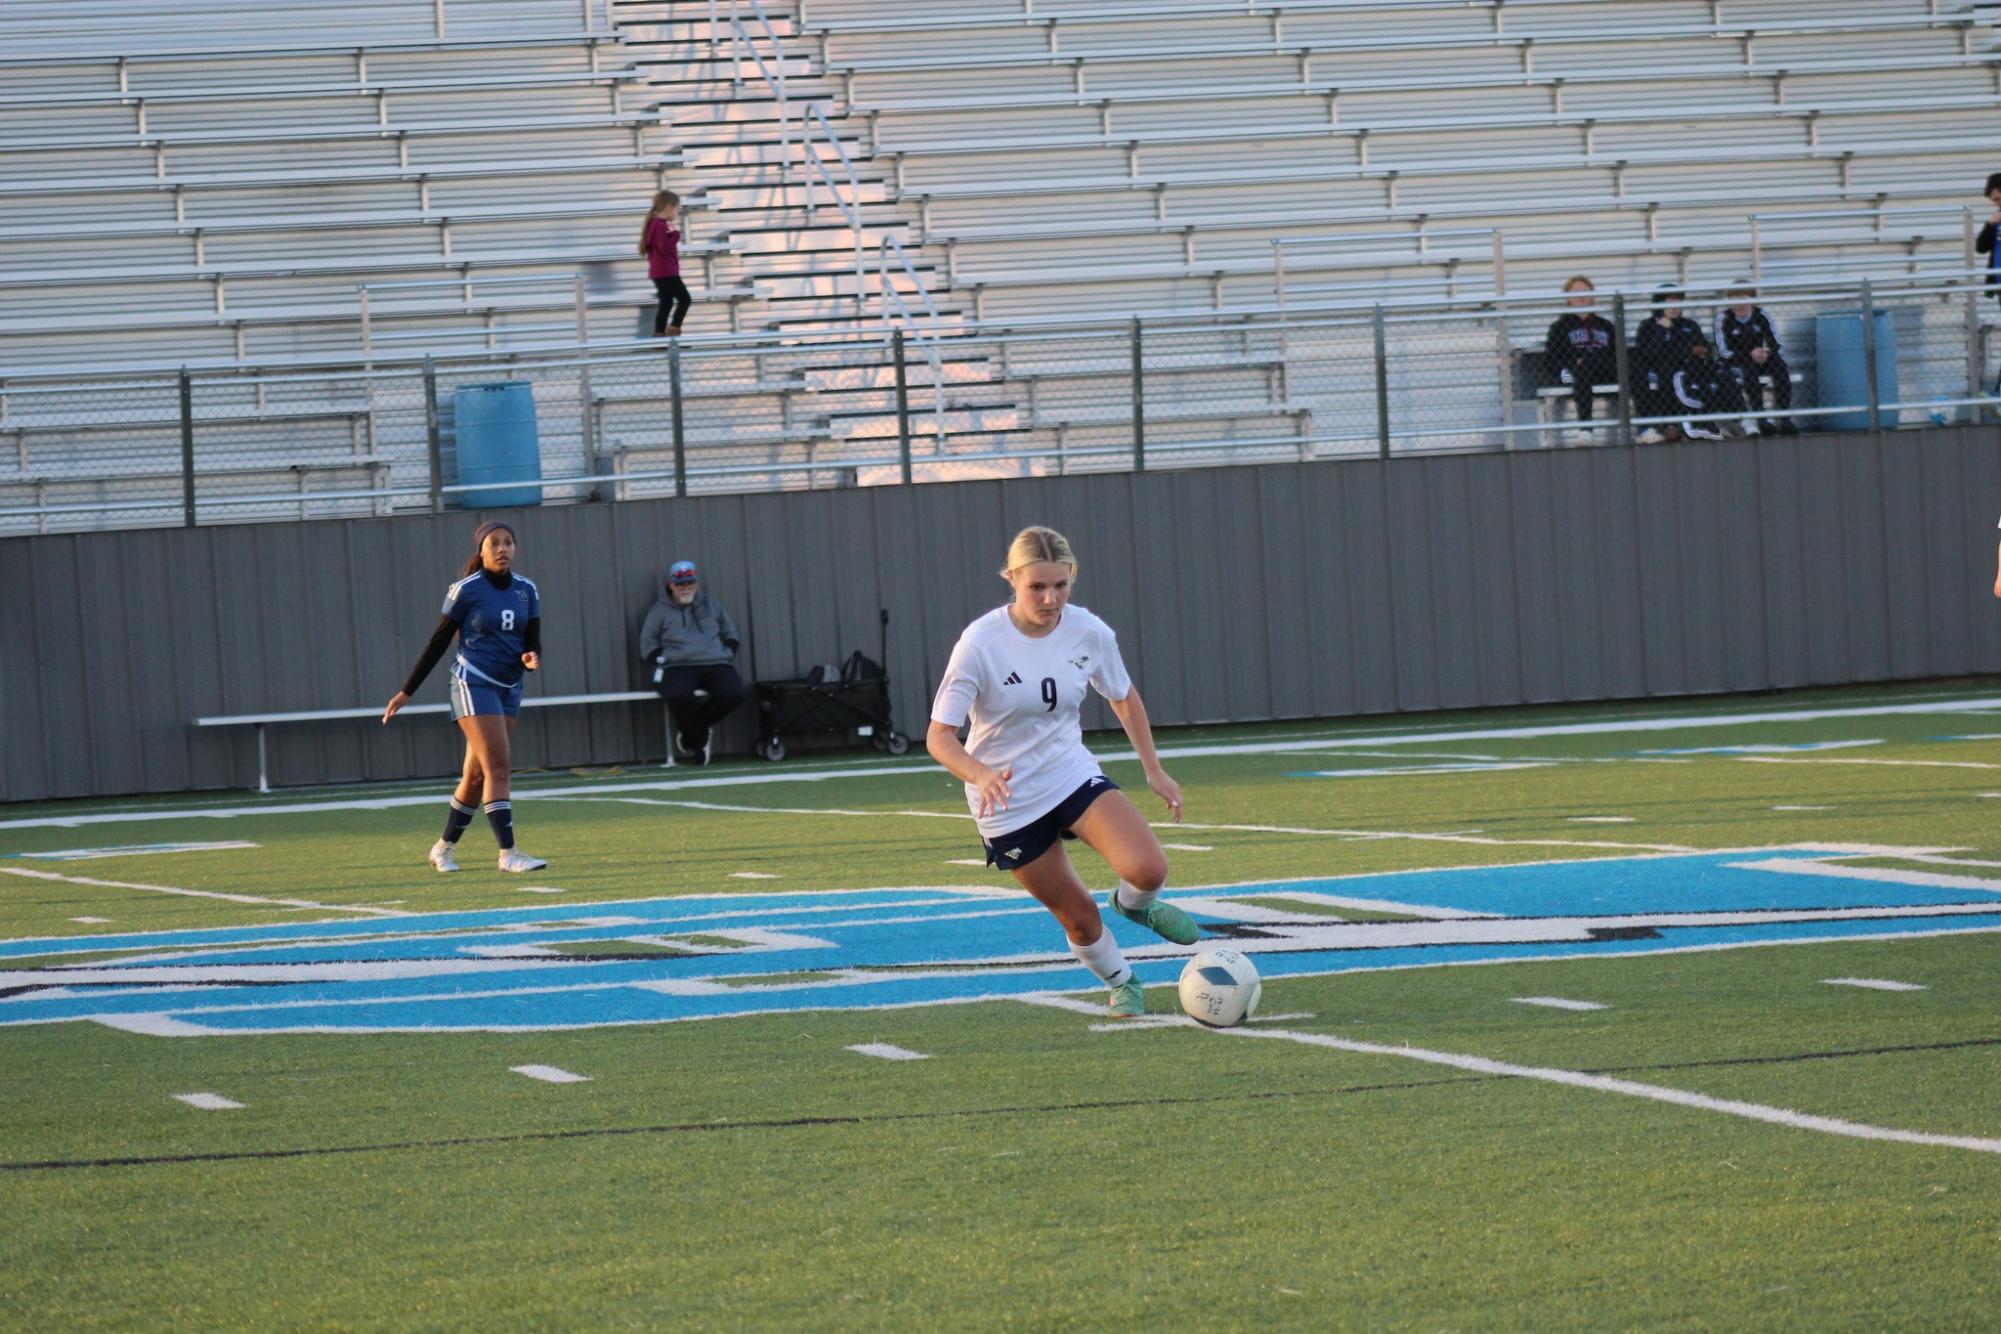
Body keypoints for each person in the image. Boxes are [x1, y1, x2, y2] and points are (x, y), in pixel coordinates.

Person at [925, 526, 1199, 1019]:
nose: (1050, 599)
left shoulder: (1089, 630)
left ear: (1072, 578)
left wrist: (1153, 769)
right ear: (1011, 578)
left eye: (1060, 585)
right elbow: (938, 737)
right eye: (1037, 587)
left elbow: (1122, 695)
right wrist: (979, 773)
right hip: (1006, 800)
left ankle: (1136, 905)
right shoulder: (981, 643)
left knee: (1148, 868)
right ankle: (1123, 983)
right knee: (1079, 919)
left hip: (1068, 773)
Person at [382, 520, 547, 874]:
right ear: (481, 551)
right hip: (473, 682)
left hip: (509, 686)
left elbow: (531, 642)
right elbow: (438, 641)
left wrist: (531, 659)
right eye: (494, 544)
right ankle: (509, 854)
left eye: (508, 542)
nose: (502, 549)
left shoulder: (526, 591)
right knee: (498, 766)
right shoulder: (466, 590)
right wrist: (406, 691)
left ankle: (443, 849)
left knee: (475, 776)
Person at [639, 559, 746, 765]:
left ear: (696, 584)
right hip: (676, 664)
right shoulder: (659, 610)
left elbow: (730, 632)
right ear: (671, 585)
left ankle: (695, 730)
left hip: (716, 662)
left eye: (689, 583)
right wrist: (662, 656)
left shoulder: (711, 604)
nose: (685, 587)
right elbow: (647, 642)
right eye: (680, 584)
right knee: (677, 694)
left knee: (734, 693)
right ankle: (698, 744)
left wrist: (728, 651)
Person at [1715, 282, 1797, 435]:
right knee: (1748, 369)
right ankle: (1761, 420)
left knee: (1780, 366)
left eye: (1744, 299)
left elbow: (1777, 343)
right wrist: (1749, 354)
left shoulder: (1761, 315)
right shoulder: (1724, 318)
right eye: (1734, 300)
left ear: (1752, 299)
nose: (1739, 304)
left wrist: (1767, 352)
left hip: (1761, 358)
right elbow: (1724, 351)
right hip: (1736, 362)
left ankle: (1785, 418)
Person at [1543, 275, 1618, 440]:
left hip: (1604, 370)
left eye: (1585, 291)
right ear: (1568, 298)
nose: (1581, 295)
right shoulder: (1560, 327)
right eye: (1576, 291)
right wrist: (1572, 363)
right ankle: (1586, 429)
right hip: (1579, 373)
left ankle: (1648, 426)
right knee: (1583, 369)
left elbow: (1616, 353)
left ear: (1592, 296)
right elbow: (1552, 358)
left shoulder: (1605, 325)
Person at [1632, 284, 1703, 443]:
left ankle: (1698, 424)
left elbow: (1699, 348)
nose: (1674, 308)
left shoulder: (1689, 325)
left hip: (1685, 367)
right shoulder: (1648, 325)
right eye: (1669, 302)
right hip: (1657, 369)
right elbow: (1647, 353)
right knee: (1656, 374)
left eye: (1678, 302)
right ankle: (1666, 425)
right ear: (1659, 303)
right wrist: (1661, 329)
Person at [1671, 335, 1749, 441]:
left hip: (1715, 409)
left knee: (1727, 379)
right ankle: (1717, 429)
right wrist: (1706, 405)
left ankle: (1743, 420)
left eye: (1705, 349)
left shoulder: (1716, 370)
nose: (1703, 353)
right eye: (1698, 350)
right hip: (1695, 412)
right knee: (1702, 432)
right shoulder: (1682, 373)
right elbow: (1685, 399)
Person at [640, 189, 691, 337]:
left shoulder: (654, 224)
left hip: (659, 273)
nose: (677, 212)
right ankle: (674, 330)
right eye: (677, 209)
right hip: (667, 272)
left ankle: (659, 335)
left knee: (666, 304)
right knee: (685, 299)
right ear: (669, 207)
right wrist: (675, 235)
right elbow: (664, 248)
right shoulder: (661, 225)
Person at [1977, 172, 2001, 302]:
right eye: (1994, 200)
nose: (1997, 204)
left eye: (1998, 199)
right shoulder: (1996, 220)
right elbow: (1981, 248)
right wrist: (1990, 225)